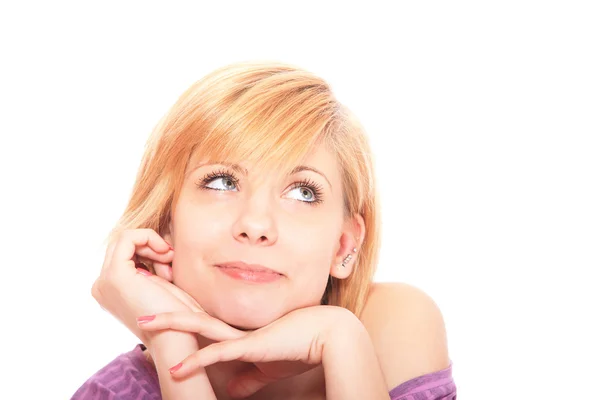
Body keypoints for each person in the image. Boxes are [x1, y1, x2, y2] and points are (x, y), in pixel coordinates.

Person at [71, 61, 457, 399]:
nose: (255, 226)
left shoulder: (395, 325)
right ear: (165, 223)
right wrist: (170, 341)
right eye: (222, 182)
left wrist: (341, 338)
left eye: (303, 192)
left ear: (344, 245)